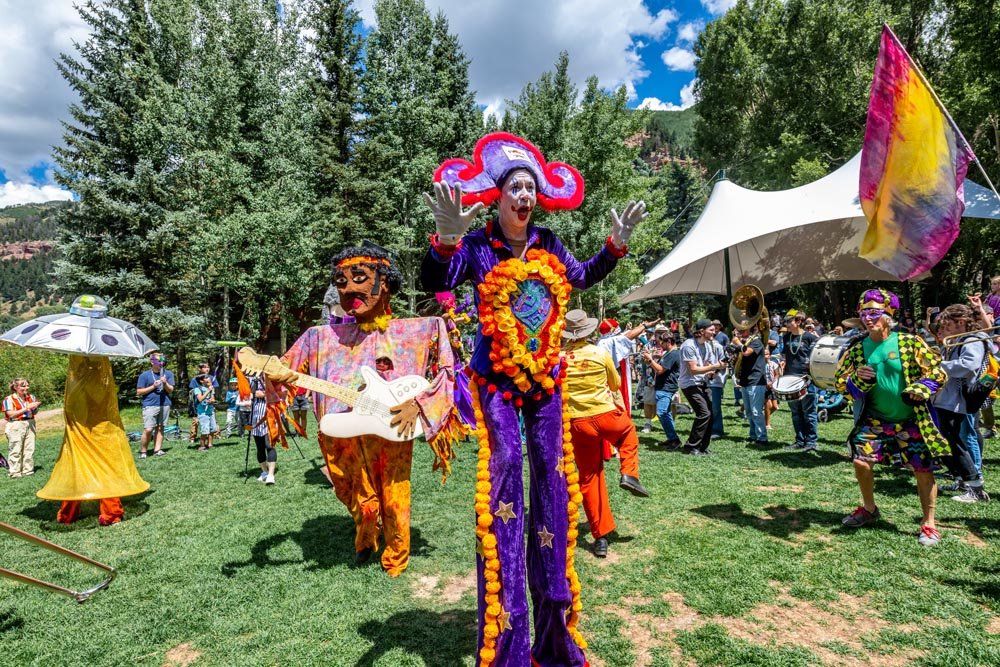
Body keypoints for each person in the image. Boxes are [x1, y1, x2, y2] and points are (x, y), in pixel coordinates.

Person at [421, 132, 645, 666]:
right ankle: (508, 637)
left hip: (545, 380)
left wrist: (614, 246)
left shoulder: (547, 241)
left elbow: (582, 277)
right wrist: (446, 240)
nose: (524, 195)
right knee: (505, 471)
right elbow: (437, 280)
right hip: (495, 380)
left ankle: (554, 634)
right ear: (497, 198)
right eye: (515, 187)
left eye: (530, 188)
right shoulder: (476, 245)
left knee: (552, 478)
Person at [275, 243, 465, 578]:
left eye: (359, 278)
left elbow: (448, 370)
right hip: (340, 432)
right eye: (341, 282)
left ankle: (396, 551)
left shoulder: (419, 330)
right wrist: (267, 373)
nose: (348, 289)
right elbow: (285, 368)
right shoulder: (321, 336)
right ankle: (366, 536)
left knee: (393, 492)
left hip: (391, 425)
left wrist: (419, 403)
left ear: (385, 283)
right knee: (351, 489)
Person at [834, 288, 949, 546]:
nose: (867, 317)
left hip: (912, 419)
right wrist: (856, 381)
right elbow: (840, 383)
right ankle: (869, 509)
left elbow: (937, 372)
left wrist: (922, 388)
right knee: (861, 461)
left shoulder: (909, 342)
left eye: (874, 312)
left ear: (890, 314)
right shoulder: (857, 348)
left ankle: (929, 523)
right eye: (863, 313)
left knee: (922, 469)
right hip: (876, 419)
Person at [563, 309, 649, 559]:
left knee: (589, 477)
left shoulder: (560, 358)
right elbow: (615, 384)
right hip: (605, 414)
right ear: (589, 331)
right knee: (628, 435)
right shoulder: (600, 352)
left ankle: (600, 537)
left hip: (578, 422)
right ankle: (629, 473)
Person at [933, 304, 990, 503]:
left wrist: (938, 366)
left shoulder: (972, 339)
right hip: (947, 398)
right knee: (946, 440)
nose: (945, 328)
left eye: (948, 324)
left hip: (956, 400)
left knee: (956, 442)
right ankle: (962, 479)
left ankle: (976, 487)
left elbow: (968, 365)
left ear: (961, 322)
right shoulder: (959, 340)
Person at [677, 319, 726, 455]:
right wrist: (714, 366)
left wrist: (713, 372)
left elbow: (705, 366)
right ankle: (691, 446)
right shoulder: (688, 345)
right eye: (711, 330)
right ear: (701, 331)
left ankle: (703, 446)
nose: (714, 332)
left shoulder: (708, 346)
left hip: (702, 383)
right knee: (704, 413)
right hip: (689, 383)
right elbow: (693, 369)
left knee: (710, 413)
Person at [781, 310, 819, 451]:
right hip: (790, 379)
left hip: (806, 379)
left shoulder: (810, 338)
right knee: (796, 412)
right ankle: (800, 440)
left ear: (798, 322)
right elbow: (784, 357)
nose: (787, 325)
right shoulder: (786, 338)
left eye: (789, 321)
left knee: (809, 412)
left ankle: (811, 442)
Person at [136, 352, 174, 458]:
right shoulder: (144, 375)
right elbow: (139, 392)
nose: (161, 362)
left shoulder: (168, 374)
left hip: (165, 404)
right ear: (152, 362)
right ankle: (143, 452)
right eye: (158, 360)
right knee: (148, 429)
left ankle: (157, 450)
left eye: (162, 360)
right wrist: (153, 386)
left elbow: (170, 390)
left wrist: (165, 383)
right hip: (150, 405)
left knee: (160, 428)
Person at [649, 331, 681, 449]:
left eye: (662, 342)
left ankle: (674, 439)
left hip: (666, 387)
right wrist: (656, 357)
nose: (660, 345)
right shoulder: (669, 353)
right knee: (665, 413)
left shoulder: (673, 354)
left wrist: (650, 360)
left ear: (669, 342)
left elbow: (660, 370)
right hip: (663, 387)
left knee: (661, 412)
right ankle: (671, 438)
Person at [736, 327, 768, 444]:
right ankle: (753, 435)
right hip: (745, 380)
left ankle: (762, 437)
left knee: (756, 411)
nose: (740, 333)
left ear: (751, 331)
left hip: (756, 380)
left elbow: (747, 352)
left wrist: (737, 343)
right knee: (748, 412)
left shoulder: (756, 341)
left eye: (743, 331)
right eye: (739, 331)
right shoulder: (745, 342)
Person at [4, 378, 40, 478]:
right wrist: (27, 408)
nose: (26, 388)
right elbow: (10, 414)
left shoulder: (31, 397)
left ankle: (28, 470)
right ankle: (15, 472)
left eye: (27, 385)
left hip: (30, 422)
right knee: (16, 448)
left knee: (29, 448)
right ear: (15, 387)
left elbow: (34, 412)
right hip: (16, 424)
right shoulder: (9, 399)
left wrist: (35, 408)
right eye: (23, 386)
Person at [248, 374, 275, 484]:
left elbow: (276, 395)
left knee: (269, 445)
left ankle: (271, 474)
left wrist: (264, 394)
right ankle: (264, 471)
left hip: (269, 417)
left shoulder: (273, 381)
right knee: (259, 447)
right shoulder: (253, 381)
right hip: (255, 418)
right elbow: (251, 393)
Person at [188, 361, 218, 441]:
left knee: (212, 420)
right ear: (200, 369)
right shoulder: (195, 379)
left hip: (209, 405)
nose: (207, 369)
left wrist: (212, 399)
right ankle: (193, 437)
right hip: (198, 404)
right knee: (196, 421)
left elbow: (213, 390)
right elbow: (192, 391)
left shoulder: (212, 377)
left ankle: (214, 436)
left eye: (208, 367)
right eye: (204, 367)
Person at [193, 374, 216, 451]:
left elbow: (213, 399)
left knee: (213, 429)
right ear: (201, 381)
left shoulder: (211, 388)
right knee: (205, 430)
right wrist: (208, 390)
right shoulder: (197, 389)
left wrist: (211, 401)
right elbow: (200, 399)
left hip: (211, 411)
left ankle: (210, 444)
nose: (209, 378)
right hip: (203, 413)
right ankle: (202, 446)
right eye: (206, 378)